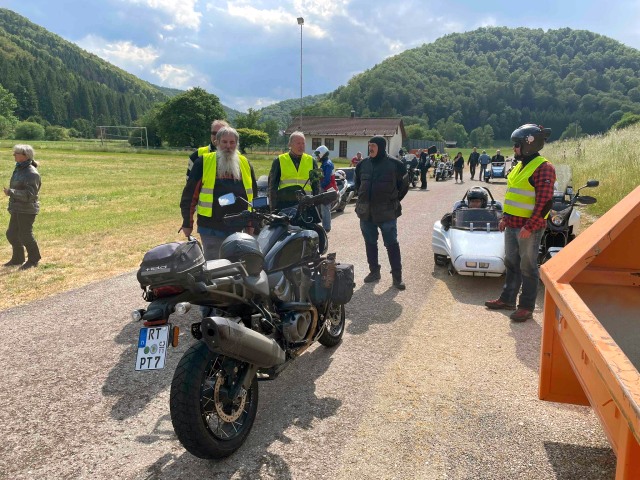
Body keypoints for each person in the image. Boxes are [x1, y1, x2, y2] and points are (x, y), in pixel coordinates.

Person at [485, 124, 555, 322]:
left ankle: (526, 307)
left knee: (528, 267)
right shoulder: (519, 166)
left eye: (517, 144)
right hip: (513, 224)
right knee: (511, 263)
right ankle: (507, 299)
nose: (514, 148)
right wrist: (505, 218)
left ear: (529, 145)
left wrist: (530, 227)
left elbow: (545, 203)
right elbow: (512, 196)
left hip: (528, 228)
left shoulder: (544, 167)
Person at [180, 126, 258, 260]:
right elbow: (189, 196)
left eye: (232, 142)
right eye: (224, 142)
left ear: (237, 144)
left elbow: (253, 196)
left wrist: (251, 224)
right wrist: (187, 223)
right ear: (217, 142)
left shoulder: (245, 163)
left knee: (236, 266)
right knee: (215, 265)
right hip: (211, 228)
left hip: (238, 227)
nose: (228, 146)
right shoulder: (203, 162)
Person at [355, 136, 409, 290]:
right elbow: (358, 185)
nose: (370, 148)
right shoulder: (362, 164)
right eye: (369, 145)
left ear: (381, 147)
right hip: (366, 213)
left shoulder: (396, 165)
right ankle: (374, 272)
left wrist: (392, 201)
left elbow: (403, 186)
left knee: (391, 244)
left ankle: (397, 277)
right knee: (370, 243)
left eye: (373, 145)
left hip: (387, 213)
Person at [3, 144, 42, 270]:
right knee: (12, 234)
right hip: (17, 207)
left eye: (16, 153)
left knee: (25, 235)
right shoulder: (19, 169)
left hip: (27, 209)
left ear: (25, 156)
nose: (13, 155)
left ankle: (34, 260)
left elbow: (30, 195)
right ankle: (18, 259)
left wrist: (11, 192)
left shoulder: (31, 173)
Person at [268, 131, 318, 211]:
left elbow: (316, 186)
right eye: (298, 143)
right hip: (285, 206)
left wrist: (317, 207)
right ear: (290, 144)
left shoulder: (312, 161)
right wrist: (273, 208)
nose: (301, 146)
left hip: (306, 205)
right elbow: (272, 187)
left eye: (303, 143)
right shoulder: (279, 160)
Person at [314, 145, 338, 233]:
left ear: (322, 154)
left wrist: (320, 187)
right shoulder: (325, 163)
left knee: (325, 208)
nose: (317, 157)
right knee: (324, 208)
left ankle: (326, 228)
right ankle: (325, 226)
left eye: (318, 155)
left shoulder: (327, 164)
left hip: (328, 188)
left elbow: (327, 179)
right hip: (327, 187)